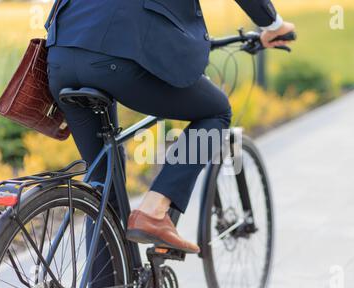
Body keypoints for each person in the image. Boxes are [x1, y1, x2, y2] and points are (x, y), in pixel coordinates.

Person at [45, 0, 295, 254]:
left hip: (60, 57)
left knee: (104, 179)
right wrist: (274, 24)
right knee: (216, 111)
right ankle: (153, 211)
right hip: (116, 55)